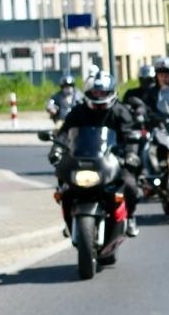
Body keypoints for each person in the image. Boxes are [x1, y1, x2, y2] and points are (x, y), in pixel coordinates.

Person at [55, 70, 143, 235]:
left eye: (102, 92)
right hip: (82, 159)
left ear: (110, 92)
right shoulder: (78, 111)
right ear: (88, 92)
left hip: (113, 161)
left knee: (130, 185)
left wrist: (130, 154)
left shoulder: (119, 111)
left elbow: (130, 134)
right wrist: (57, 148)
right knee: (64, 185)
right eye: (95, 91)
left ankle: (130, 217)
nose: (98, 95)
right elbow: (64, 132)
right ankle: (69, 219)